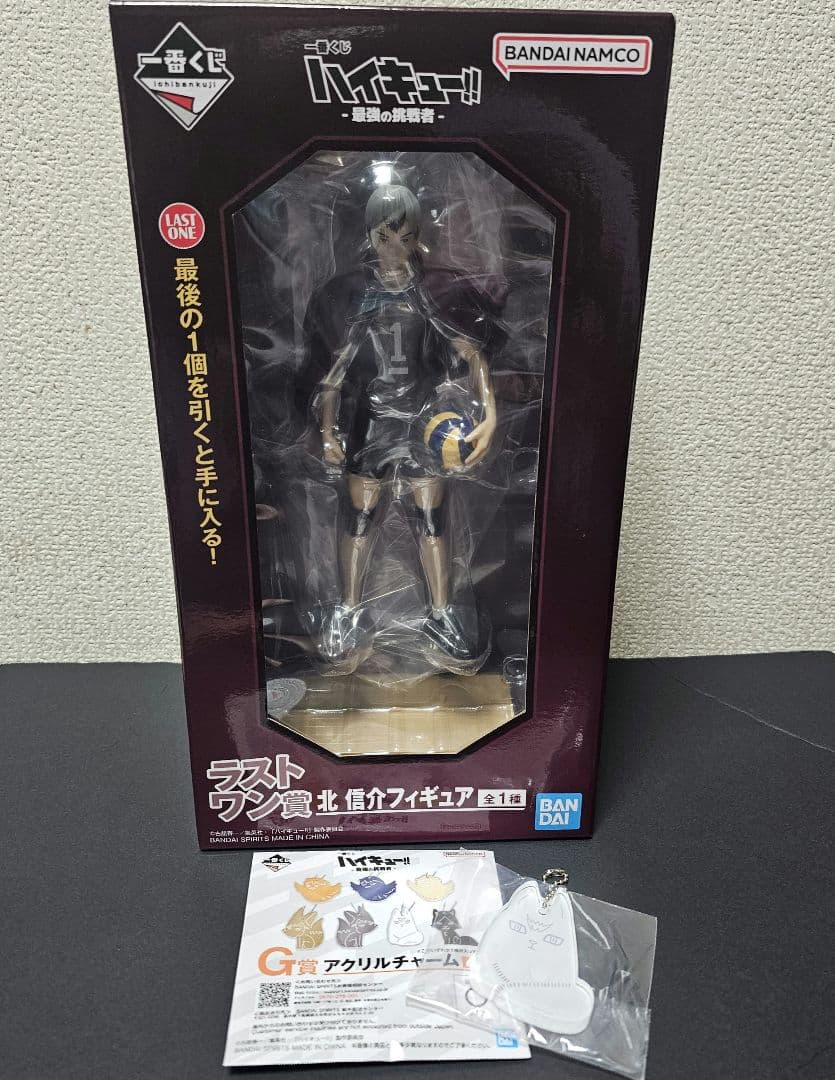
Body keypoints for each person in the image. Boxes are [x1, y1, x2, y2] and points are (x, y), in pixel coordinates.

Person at [306, 181, 499, 667]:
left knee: (432, 519)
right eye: (385, 238)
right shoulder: (357, 296)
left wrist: (489, 415)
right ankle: (349, 610)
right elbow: (334, 373)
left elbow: (472, 354)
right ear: (370, 236)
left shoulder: (430, 293)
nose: (395, 248)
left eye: (406, 238)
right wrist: (327, 433)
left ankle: (440, 613)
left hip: (421, 425)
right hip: (371, 424)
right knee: (359, 518)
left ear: (418, 238)